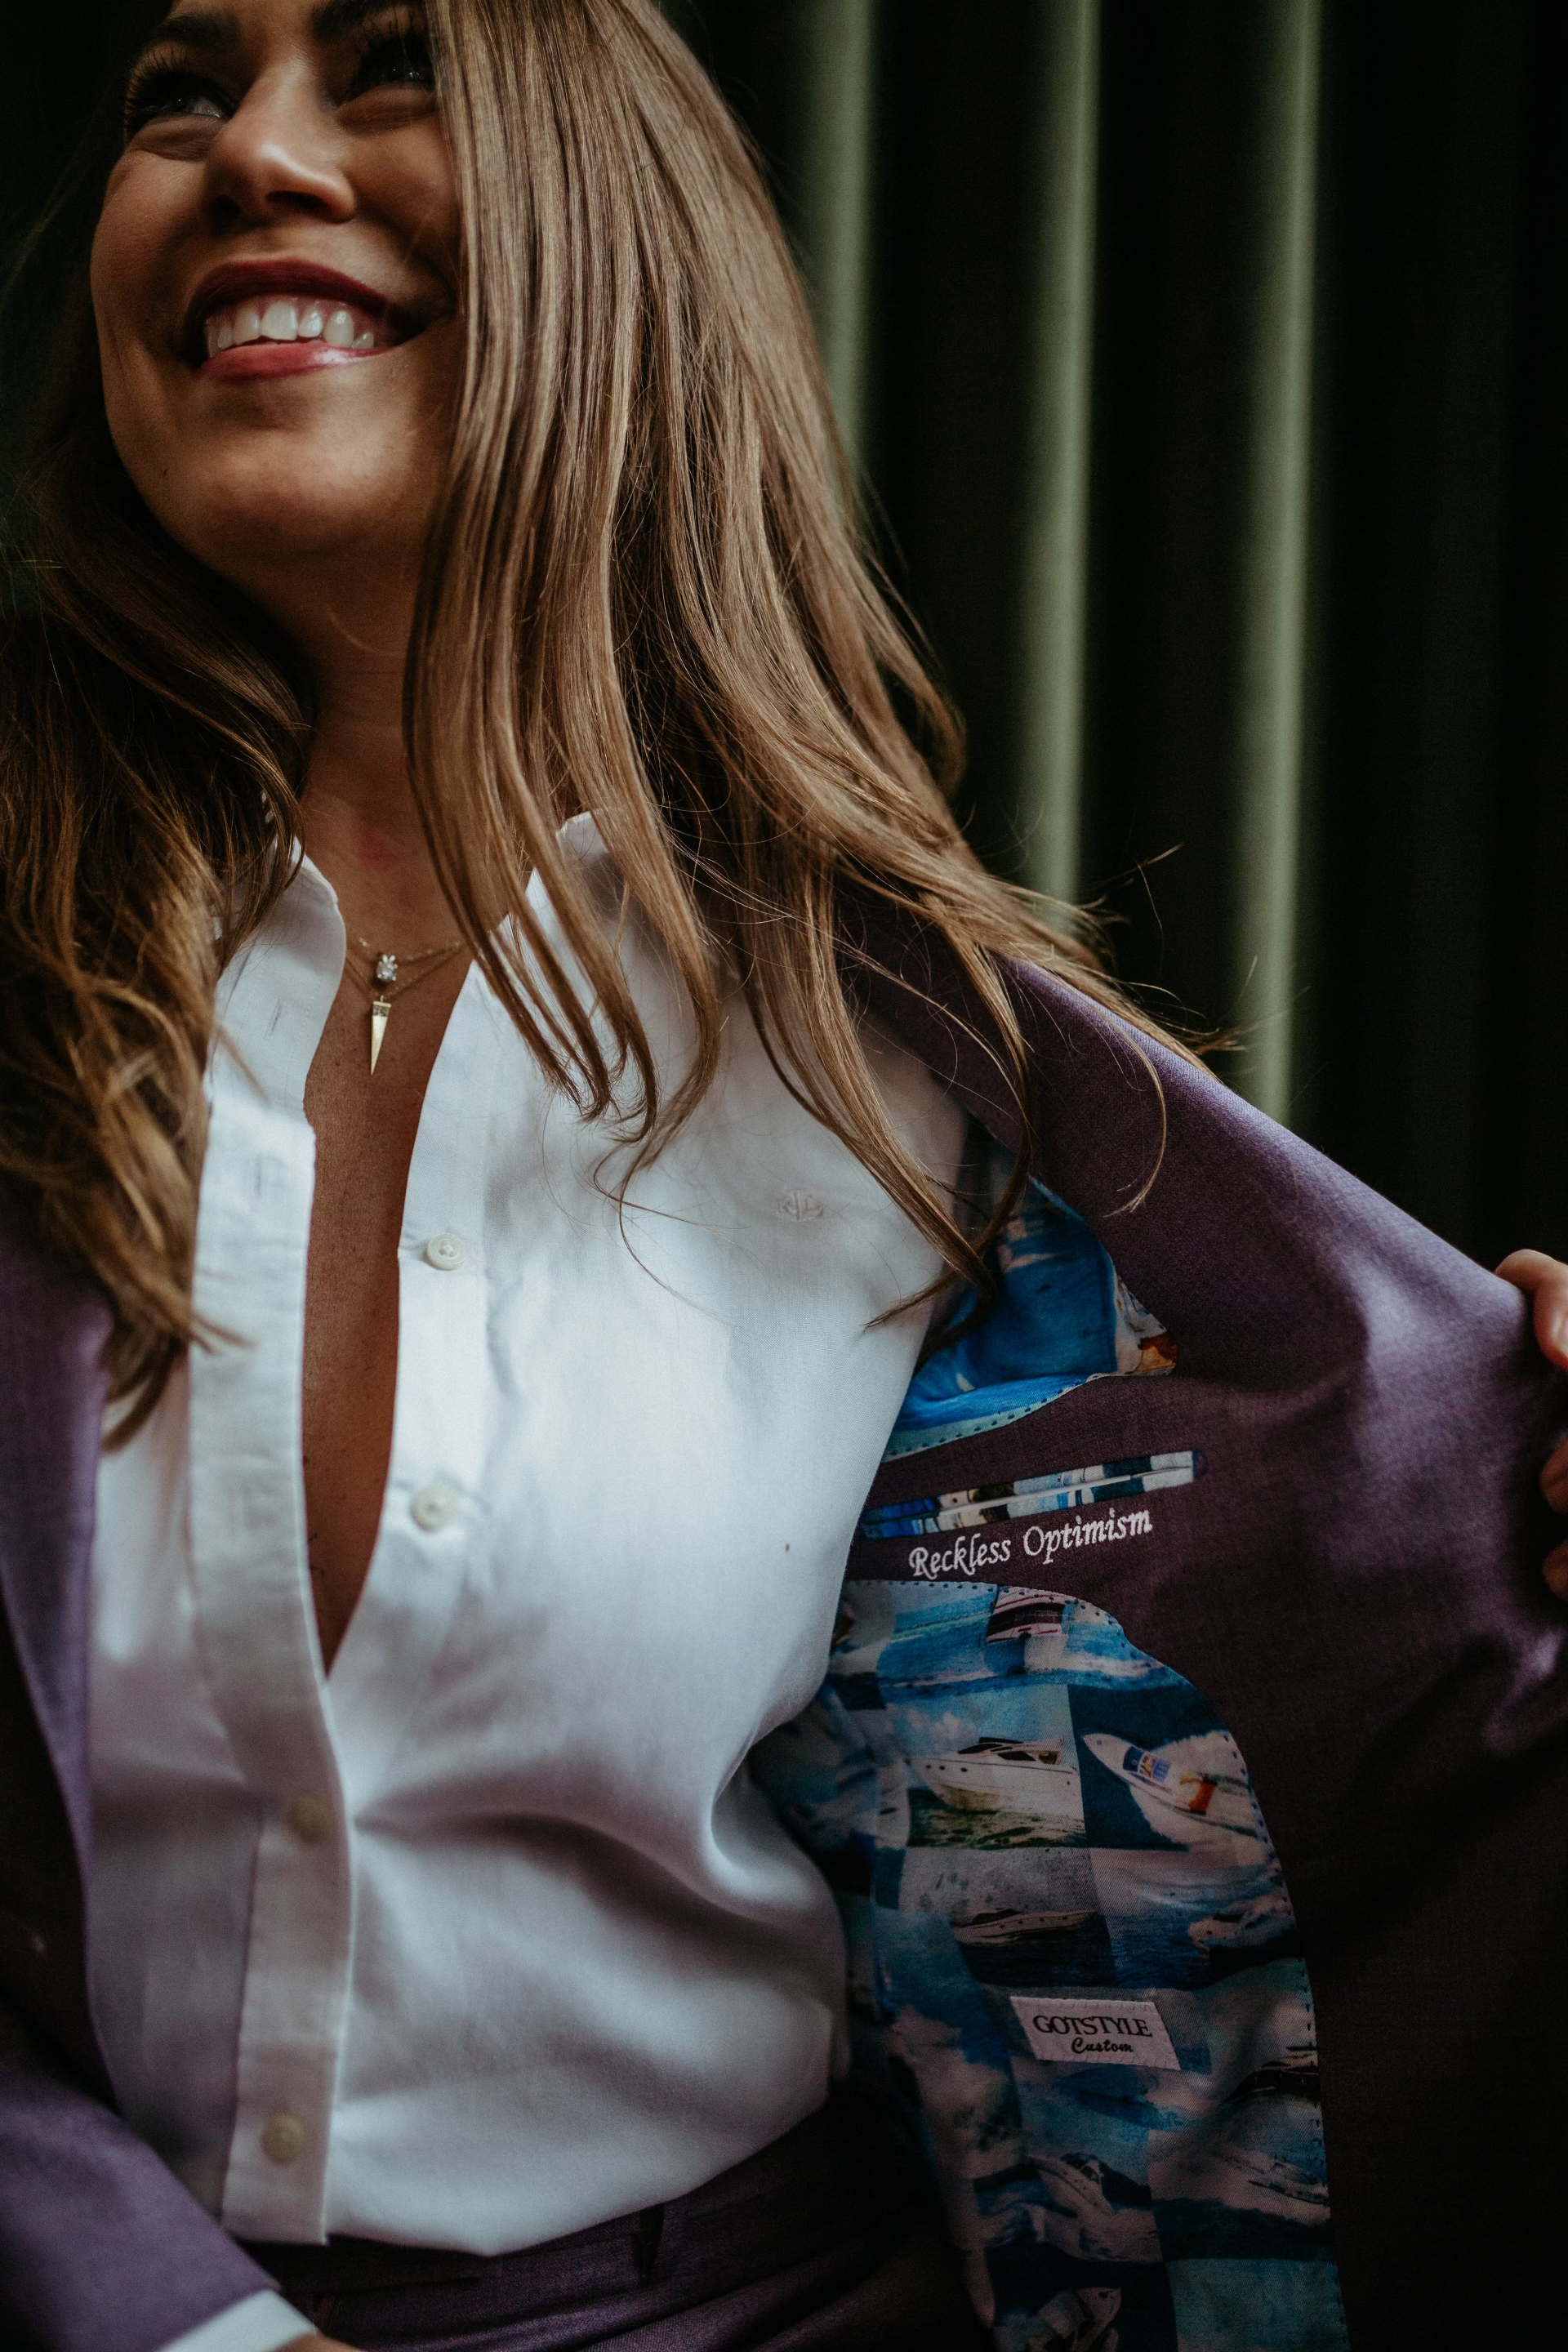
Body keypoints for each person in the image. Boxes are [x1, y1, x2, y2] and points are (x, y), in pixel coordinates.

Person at [2, 5, 1566, 2350]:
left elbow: (1379, 1744)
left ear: (618, 239)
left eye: (394, 65)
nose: (255, 156)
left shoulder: (916, 1085)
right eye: (174, 98)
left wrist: (1525, 1490)